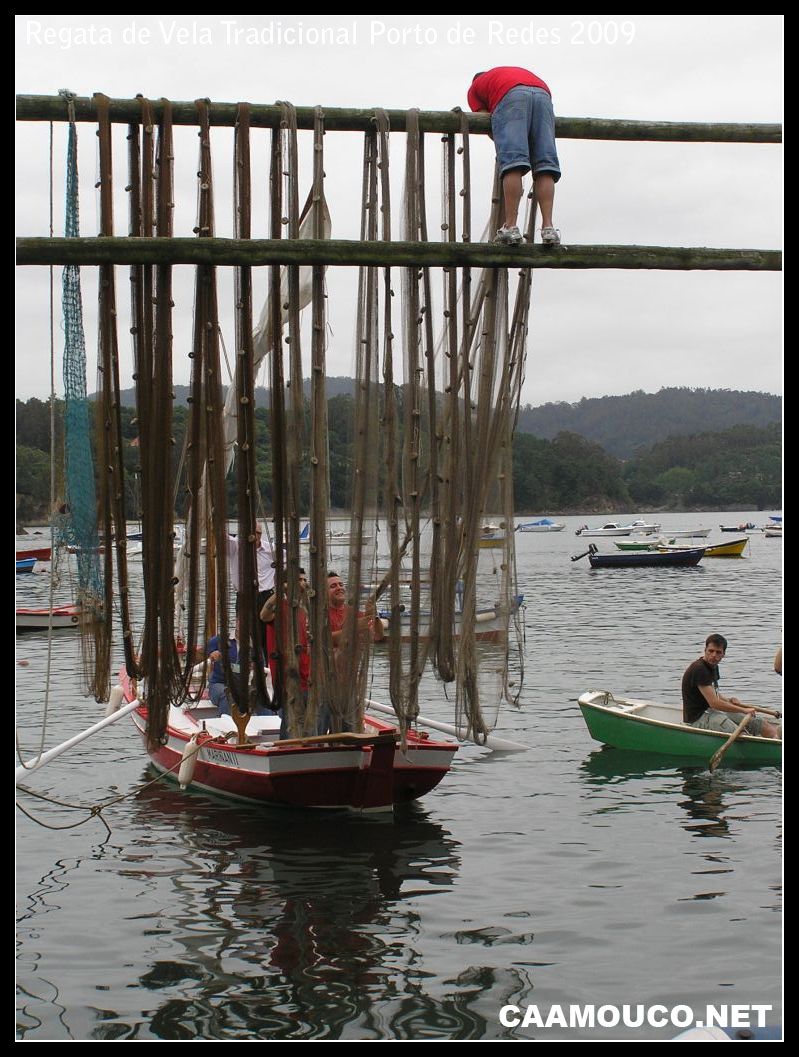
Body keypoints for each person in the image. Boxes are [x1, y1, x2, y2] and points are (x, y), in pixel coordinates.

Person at [467, 66, 562, 246]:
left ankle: (510, 226)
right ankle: (548, 228)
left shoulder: (474, 89)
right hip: (543, 94)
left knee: (513, 162)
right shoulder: (501, 75)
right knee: (544, 164)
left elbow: (484, 119)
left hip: (511, 96)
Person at [681, 634, 780, 739]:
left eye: (718, 652)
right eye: (711, 651)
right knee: (742, 735)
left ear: (723, 654)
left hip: (712, 711)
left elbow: (714, 694)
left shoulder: (713, 667)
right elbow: (714, 703)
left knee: (759, 723)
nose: (714, 655)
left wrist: (728, 700)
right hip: (697, 718)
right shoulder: (699, 669)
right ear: (705, 650)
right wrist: (742, 710)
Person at [206, 619, 273, 718]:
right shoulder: (220, 640)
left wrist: (255, 666)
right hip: (220, 683)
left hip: (244, 686)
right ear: (237, 624)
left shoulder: (254, 646)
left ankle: (269, 726)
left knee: (261, 695)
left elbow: (261, 666)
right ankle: (227, 727)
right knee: (228, 694)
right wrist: (212, 653)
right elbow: (207, 650)